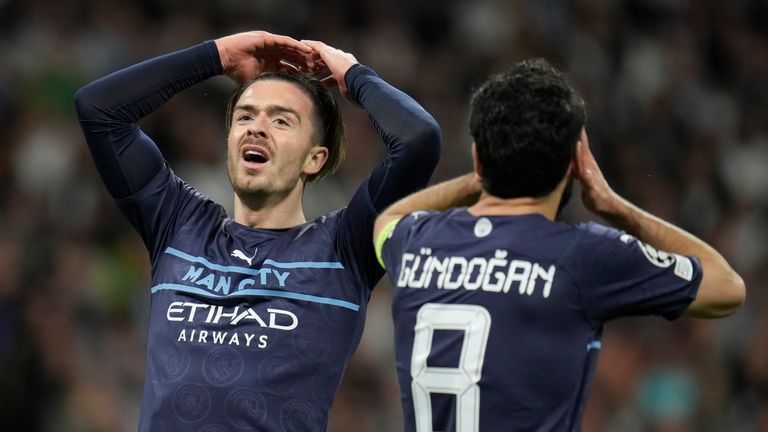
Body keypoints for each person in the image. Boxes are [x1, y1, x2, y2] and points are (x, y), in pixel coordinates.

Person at [74, 31, 440, 430]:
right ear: (229, 140)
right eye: (245, 116)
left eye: (282, 120)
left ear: (315, 159)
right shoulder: (178, 224)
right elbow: (98, 109)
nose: (256, 128)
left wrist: (352, 75)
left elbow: (417, 139)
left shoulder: (343, 249)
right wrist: (218, 55)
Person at [373, 58, 745, 431]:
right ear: (574, 165)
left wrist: (480, 178)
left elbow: (385, 221)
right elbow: (726, 288)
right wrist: (615, 207)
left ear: (478, 159)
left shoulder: (417, 243)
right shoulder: (584, 255)